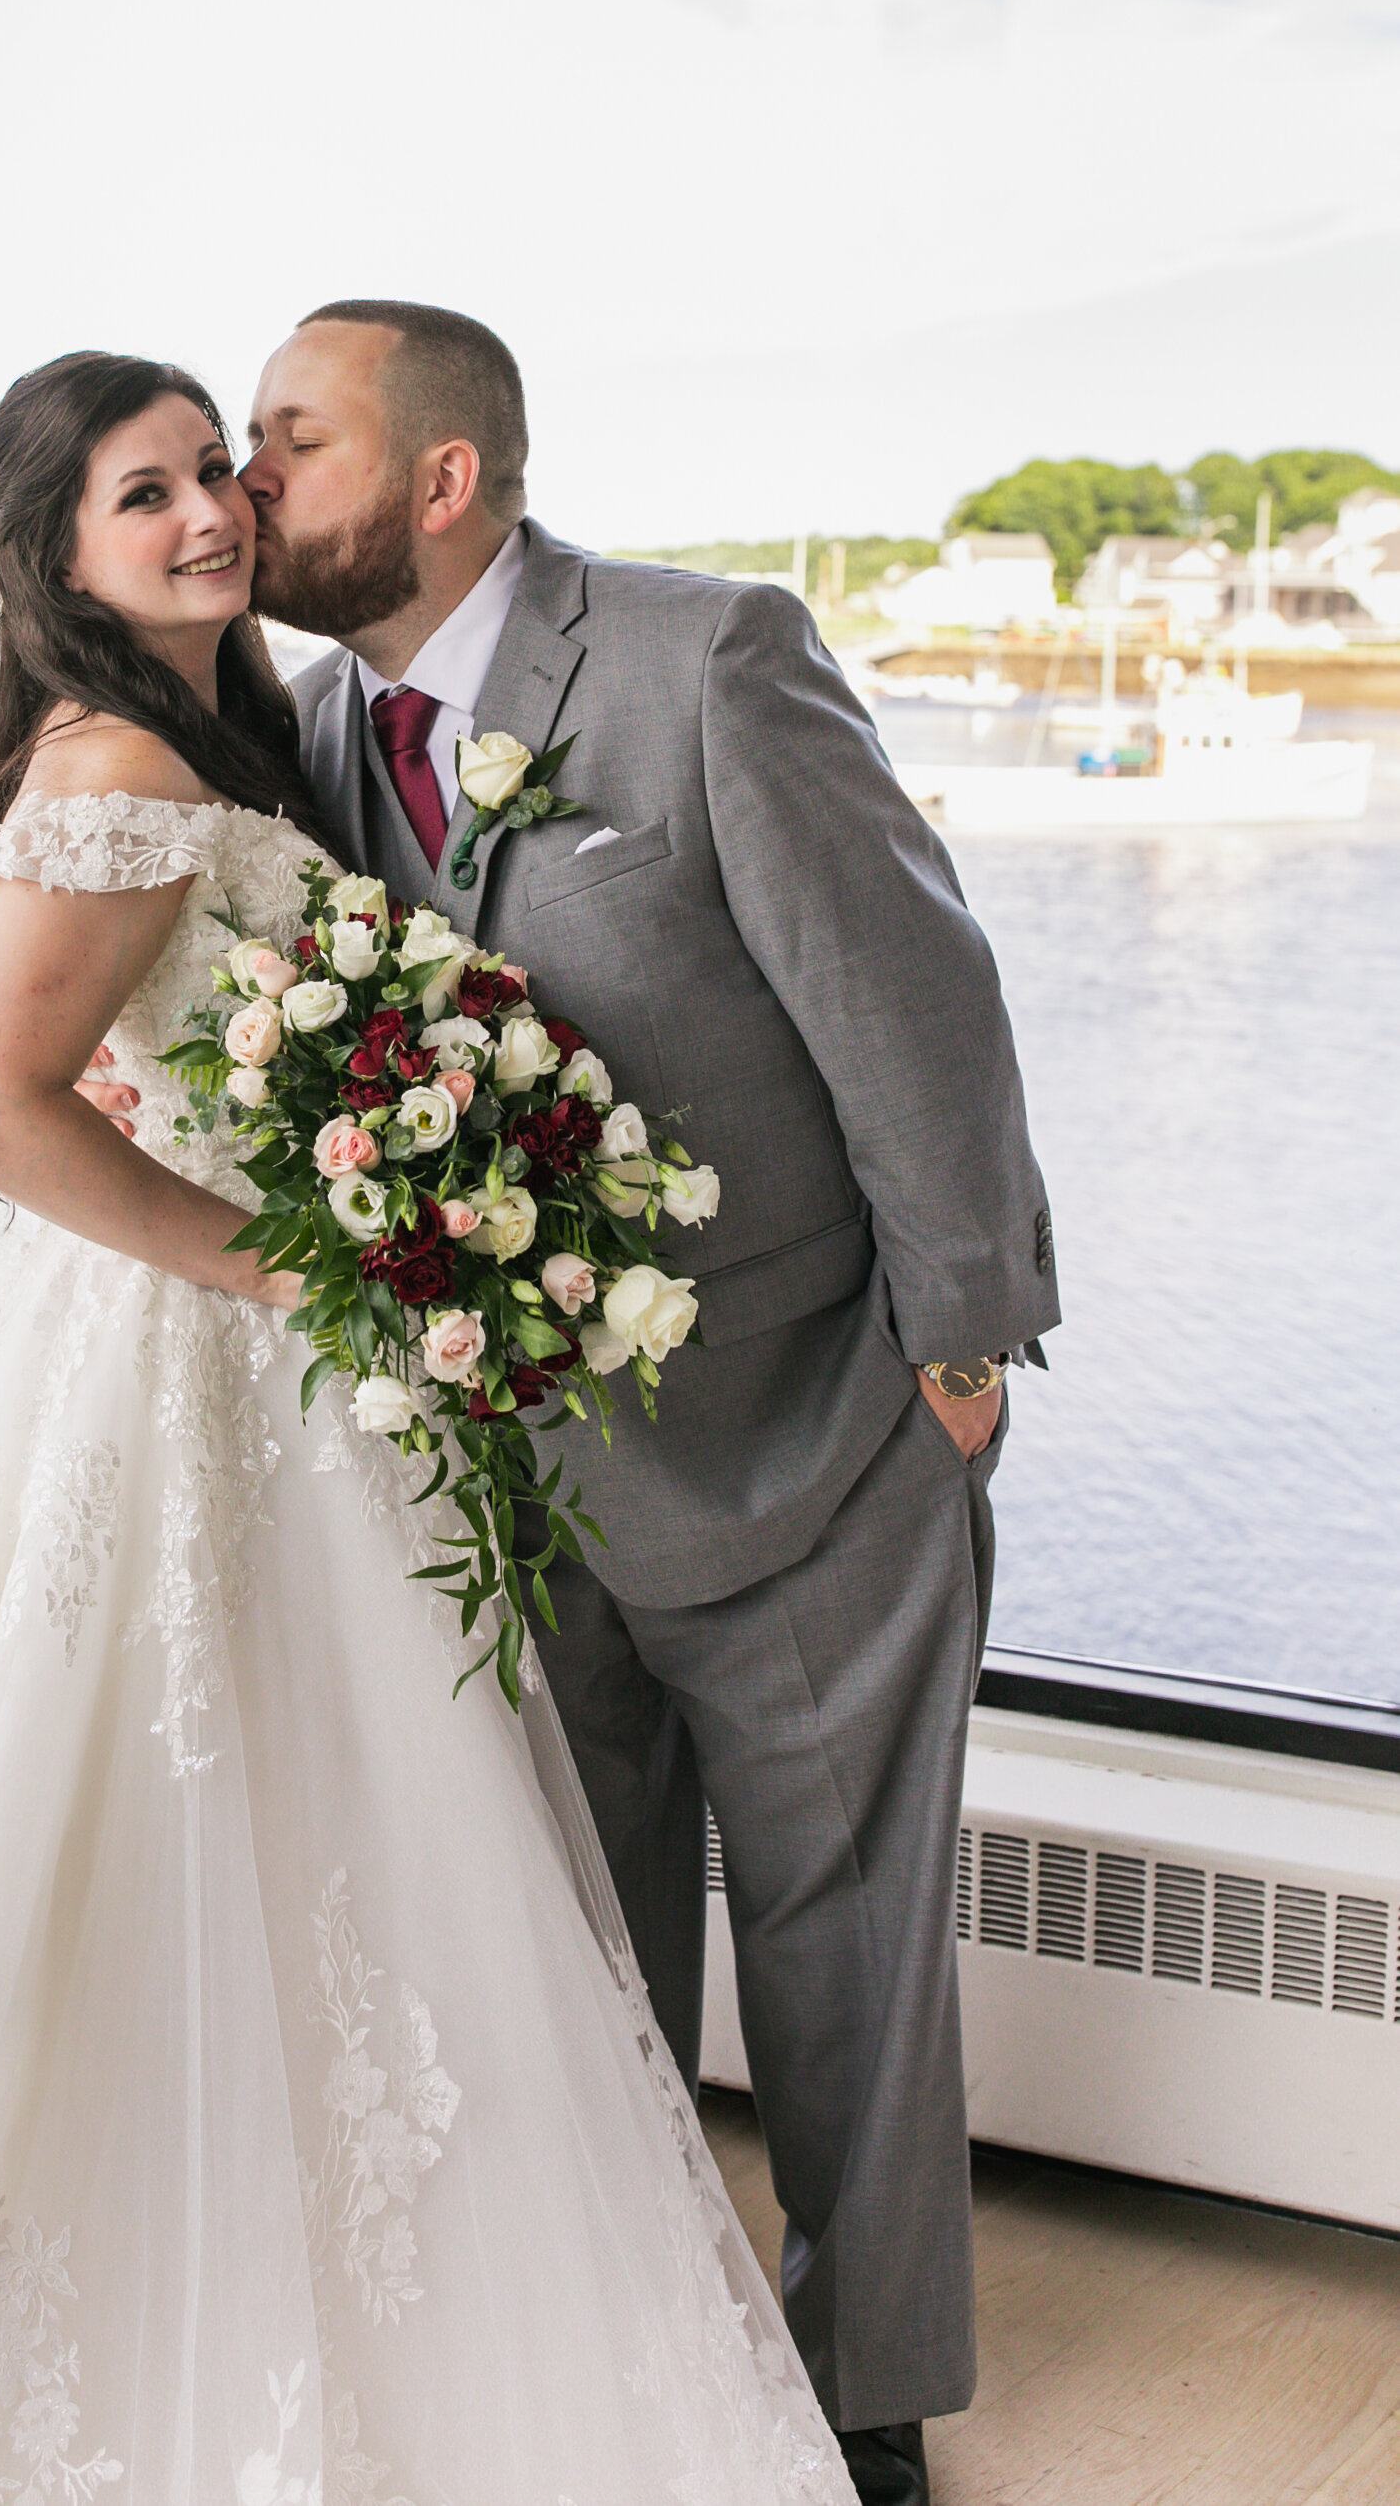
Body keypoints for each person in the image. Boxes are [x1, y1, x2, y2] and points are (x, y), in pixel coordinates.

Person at [0, 350, 856, 2506]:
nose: (206, 515)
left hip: (257, 1375)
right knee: (155, 1803)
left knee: (299, 1820)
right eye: (141, 497)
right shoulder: (123, 756)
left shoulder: (219, 731)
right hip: (174, 1372)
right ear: (52, 556)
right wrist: (276, 1266)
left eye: (214, 475)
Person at [211, 300, 1061, 2506]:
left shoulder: (708, 660)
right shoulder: (308, 721)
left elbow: (922, 1008)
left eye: (290, 442)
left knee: (846, 1957)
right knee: (584, 1959)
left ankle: (863, 2396)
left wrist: (956, 1360)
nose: (246, 479)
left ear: (442, 481)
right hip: (517, 1487)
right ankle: (650, 2352)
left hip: (813, 1447)